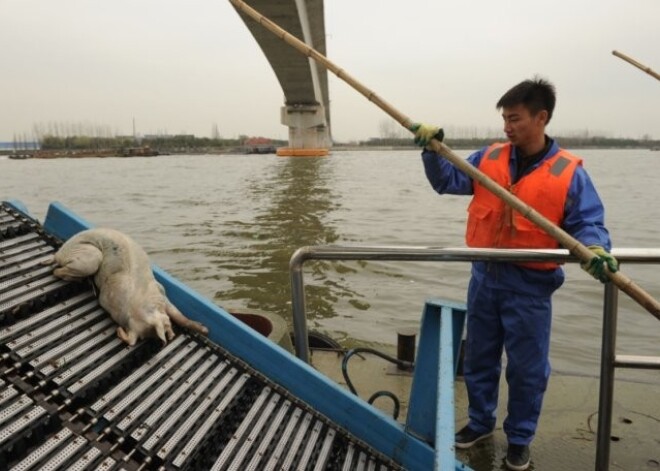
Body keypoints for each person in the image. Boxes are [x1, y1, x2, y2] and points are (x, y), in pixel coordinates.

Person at [411, 77, 618, 471]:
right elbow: (447, 181)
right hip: (485, 279)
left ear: (541, 118)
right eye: (505, 119)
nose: (507, 127)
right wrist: (432, 151)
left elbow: (589, 221)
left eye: (515, 118)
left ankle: (520, 439)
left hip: (530, 288)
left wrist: (595, 249)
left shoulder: (569, 172)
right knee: (479, 359)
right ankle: (480, 422)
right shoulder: (487, 159)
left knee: (527, 370)